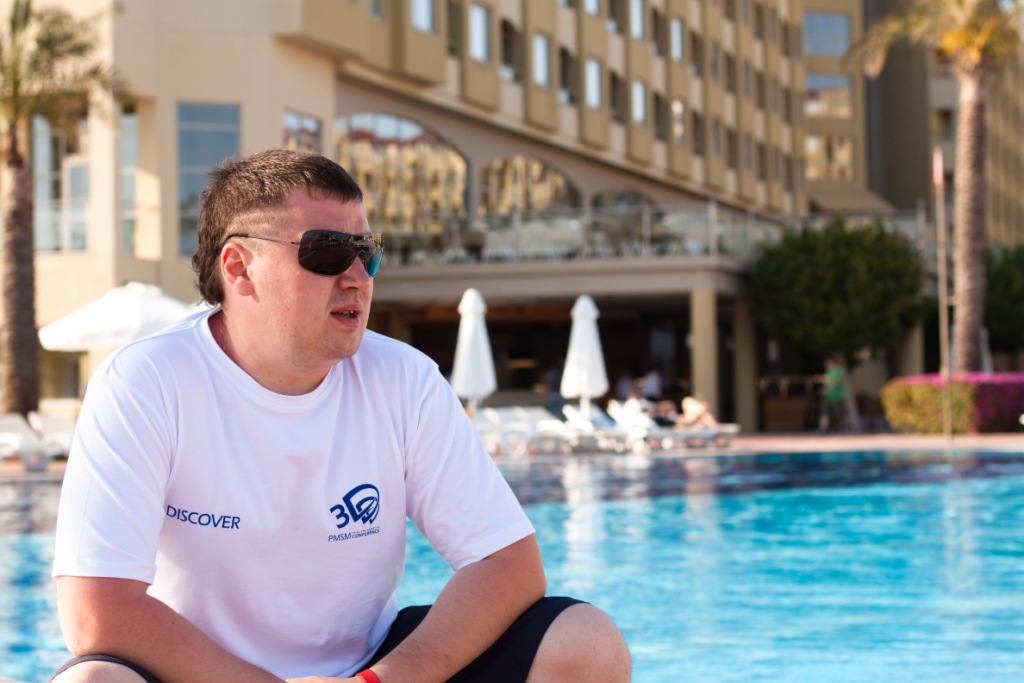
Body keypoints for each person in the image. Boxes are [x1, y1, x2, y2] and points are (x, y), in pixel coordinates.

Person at [50, 150, 630, 683]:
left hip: (368, 668)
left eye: (366, 252)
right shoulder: (147, 382)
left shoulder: (404, 379)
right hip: (200, 674)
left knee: (585, 642)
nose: (356, 276)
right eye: (326, 252)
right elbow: (96, 611)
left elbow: (508, 563)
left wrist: (382, 681)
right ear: (239, 267)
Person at [820, 355, 846, 433]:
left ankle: (846, 427)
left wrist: (827, 389)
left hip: (836, 396)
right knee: (825, 412)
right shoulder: (829, 372)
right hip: (828, 396)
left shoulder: (838, 370)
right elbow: (828, 382)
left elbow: (836, 382)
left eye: (827, 363)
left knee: (840, 414)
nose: (826, 365)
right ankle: (823, 428)